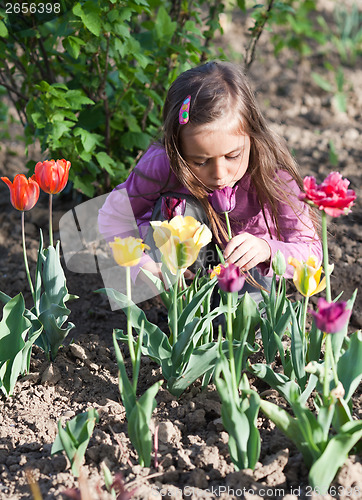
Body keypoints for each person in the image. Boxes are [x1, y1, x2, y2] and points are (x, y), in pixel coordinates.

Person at [98, 60, 322, 302]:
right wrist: (143, 264)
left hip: (248, 271)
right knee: (177, 209)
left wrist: (267, 249)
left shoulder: (273, 174)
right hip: (185, 275)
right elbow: (114, 216)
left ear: (253, 136)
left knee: (244, 327)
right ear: (177, 149)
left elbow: (311, 252)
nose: (219, 174)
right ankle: (183, 310)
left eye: (232, 156)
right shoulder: (163, 164)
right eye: (200, 161)